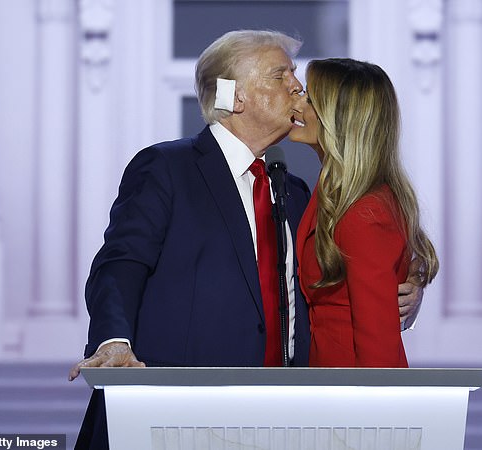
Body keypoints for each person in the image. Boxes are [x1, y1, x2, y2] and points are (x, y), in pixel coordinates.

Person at [68, 31, 424, 449]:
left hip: (274, 420)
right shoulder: (167, 168)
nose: (297, 86)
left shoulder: (295, 192)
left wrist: (405, 286)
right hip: (172, 415)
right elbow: (120, 263)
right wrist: (112, 340)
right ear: (233, 97)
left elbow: (332, 284)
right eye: (281, 75)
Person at [289, 58, 439, 368]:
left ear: (340, 119)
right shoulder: (337, 194)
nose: (298, 102)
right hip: (328, 387)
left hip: (353, 396)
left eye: (311, 99)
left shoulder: (365, 212)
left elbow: (377, 343)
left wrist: (376, 414)